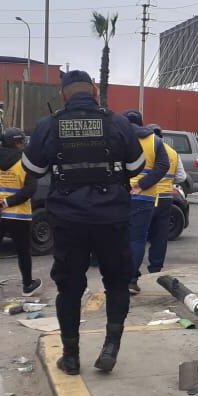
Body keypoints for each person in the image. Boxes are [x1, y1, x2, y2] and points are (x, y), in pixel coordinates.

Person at [22, 70, 144, 375]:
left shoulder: (48, 125)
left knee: (70, 288)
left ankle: (71, 356)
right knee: (116, 282)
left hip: (68, 220)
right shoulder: (118, 123)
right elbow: (136, 166)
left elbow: (33, 170)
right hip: (112, 218)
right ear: (94, 93)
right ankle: (111, 347)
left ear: (63, 95)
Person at [0, 127, 42, 306]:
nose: (24, 145)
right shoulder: (25, 161)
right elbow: (30, 189)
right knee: (23, 252)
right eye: (22, 142)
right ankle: (27, 285)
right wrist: (9, 202)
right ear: (17, 142)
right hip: (19, 216)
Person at [121, 110, 170, 294]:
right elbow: (163, 165)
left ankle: (118, 278)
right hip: (145, 196)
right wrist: (143, 184)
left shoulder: (119, 136)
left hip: (121, 195)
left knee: (118, 239)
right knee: (137, 239)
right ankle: (131, 280)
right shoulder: (155, 141)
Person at [144, 123, 186, 276]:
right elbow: (182, 177)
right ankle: (155, 269)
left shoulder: (145, 149)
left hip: (147, 197)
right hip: (166, 198)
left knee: (140, 234)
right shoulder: (173, 152)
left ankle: (133, 271)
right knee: (160, 236)